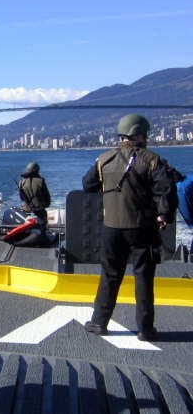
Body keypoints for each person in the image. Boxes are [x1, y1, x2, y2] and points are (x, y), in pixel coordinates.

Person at [82, 114, 174, 342]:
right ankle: (145, 329)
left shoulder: (104, 159)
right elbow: (166, 192)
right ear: (141, 134)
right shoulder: (153, 160)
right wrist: (164, 215)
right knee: (143, 277)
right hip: (141, 228)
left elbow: (88, 184)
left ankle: (98, 322)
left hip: (111, 228)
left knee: (110, 275)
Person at [18, 162, 51, 230]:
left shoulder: (21, 182)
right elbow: (46, 195)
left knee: (28, 227)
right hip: (39, 209)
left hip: (26, 209)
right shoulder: (40, 181)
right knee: (42, 226)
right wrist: (46, 204)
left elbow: (21, 197)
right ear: (36, 170)